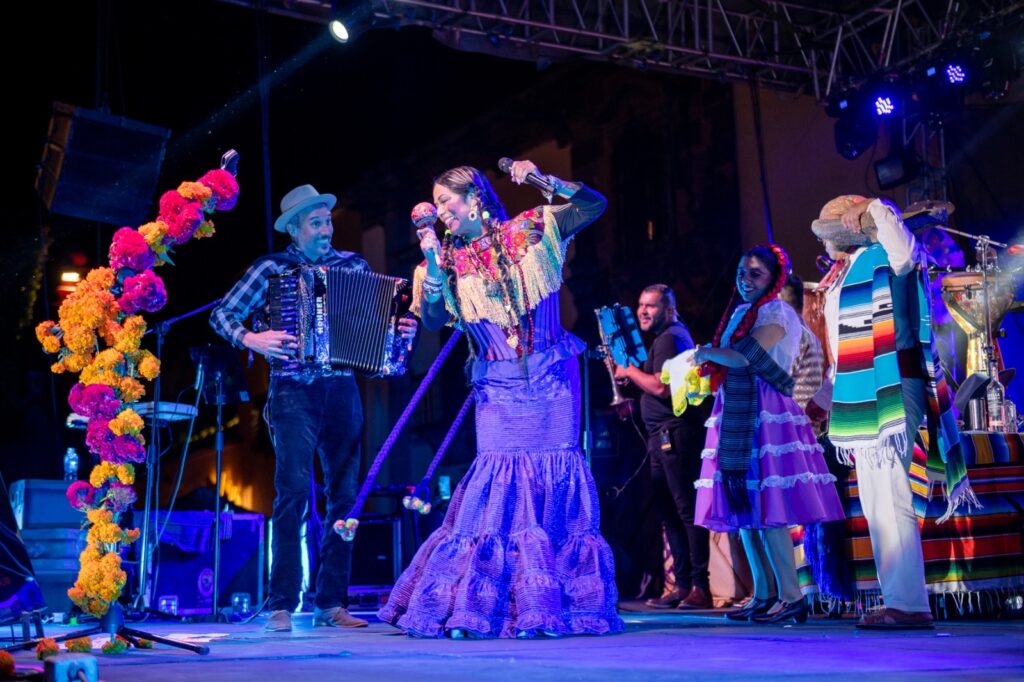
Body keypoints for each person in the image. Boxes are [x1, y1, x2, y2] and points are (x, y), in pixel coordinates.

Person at [377, 161, 623, 638]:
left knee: (553, 486)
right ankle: (488, 607)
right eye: (435, 205)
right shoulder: (442, 263)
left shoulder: (532, 230)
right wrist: (432, 264)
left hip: (552, 381)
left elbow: (594, 204)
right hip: (498, 388)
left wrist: (541, 180)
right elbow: (432, 321)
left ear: (474, 196)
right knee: (498, 489)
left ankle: (551, 606)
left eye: (446, 201)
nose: (440, 212)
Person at [210, 184, 417, 632]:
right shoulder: (272, 268)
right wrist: (252, 338)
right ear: (295, 230)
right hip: (291, 391)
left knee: (346, 496)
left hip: (341, 387)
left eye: (327, 222)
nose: (326, 230)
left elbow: (378, 331)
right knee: (293, 493)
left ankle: (331, 604)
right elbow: (222, 314)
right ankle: (281, 603)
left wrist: (399, 332)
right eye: (316, 223)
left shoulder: (353, 267)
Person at [805, 196, 972, 629]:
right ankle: (899, 599)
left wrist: (874, 207)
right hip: (864, 391)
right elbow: (849, 350)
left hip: (894, 382)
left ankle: (909, 604)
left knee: (891, 494)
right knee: (876, 500)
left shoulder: (887, 253)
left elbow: (905, 251)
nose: (825, 243)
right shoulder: (848, 273)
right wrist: (825, 398)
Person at [692, 245, 844, 625]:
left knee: (769, 505)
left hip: (765, 409)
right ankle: (764, 593)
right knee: (744, 503)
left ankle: (791, 596)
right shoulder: (742, 312)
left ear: (773, 279)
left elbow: (746, 355)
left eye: (755, 274)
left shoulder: (776, 312)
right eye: (741, 272)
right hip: (738, 406)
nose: (745, 280)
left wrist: (705, 353)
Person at [613, 284, 711, 609]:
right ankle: (682, 585)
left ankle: (700, 586)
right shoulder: (665, 338)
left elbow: (661, 387)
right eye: (641, 304)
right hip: (661, 435)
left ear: (668, 310)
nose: (642, 311)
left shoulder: (670, 338)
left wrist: (629, 370)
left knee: (685, 510)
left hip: (675, 434)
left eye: (651, 306)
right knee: (669, 512)